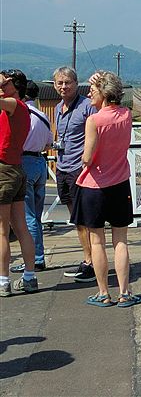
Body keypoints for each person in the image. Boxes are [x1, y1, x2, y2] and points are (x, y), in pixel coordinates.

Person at [74, 70, 141, 307]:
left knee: (97, 242)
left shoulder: (94, 120)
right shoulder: (127, 115)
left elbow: (87, 158)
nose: (89, 94)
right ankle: (125, 293)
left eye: (92, 91)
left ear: (102, 93)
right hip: (120, 184)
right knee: (120, 240)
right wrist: (100, 79)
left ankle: (104, 293)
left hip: (94, 187)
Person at [53, 66, 98, 282]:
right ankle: (87, 259)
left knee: (86, 219)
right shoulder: (58, 107)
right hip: (62, 168)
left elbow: (98, 134)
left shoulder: (87, 106)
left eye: (67, 82)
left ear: (76, 83)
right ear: (54, 85)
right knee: (76, 219)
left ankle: (92, 263)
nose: (64, 86)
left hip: (79, 170)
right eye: (59, 83)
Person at [0, 69, 39, 296]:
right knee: (21, 227)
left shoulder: (14, 106)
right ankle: (29, 277)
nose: (2, 86)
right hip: (16, 169)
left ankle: (3, 280)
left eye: (6, 83)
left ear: (16, 85)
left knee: (2, 231)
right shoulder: (21, 109)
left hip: (4, 170)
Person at [11, 80, 51, 273]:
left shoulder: (20, 114)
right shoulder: (43, 116)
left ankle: (34, 259)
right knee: (36, 215)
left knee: (28, 217)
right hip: (41, 163)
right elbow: (49, 143)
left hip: (24, 162)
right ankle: (38, 256)